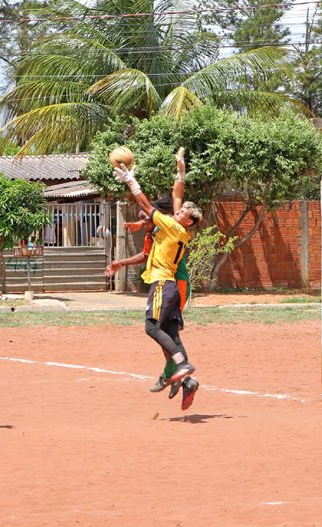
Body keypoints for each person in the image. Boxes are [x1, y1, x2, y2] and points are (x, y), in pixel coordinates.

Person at [113, 148, 203, 410]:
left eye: (182, 212)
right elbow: (172, 198)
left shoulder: (173, 225)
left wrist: (132, 181)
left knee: (153, 328)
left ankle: (176, 368)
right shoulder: (169, 227)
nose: (178, 211)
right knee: (170, 332)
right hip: (169, 283)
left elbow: (151, 204)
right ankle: (182, 378)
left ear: (187, 221)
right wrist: (181, 171)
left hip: (173, 282)